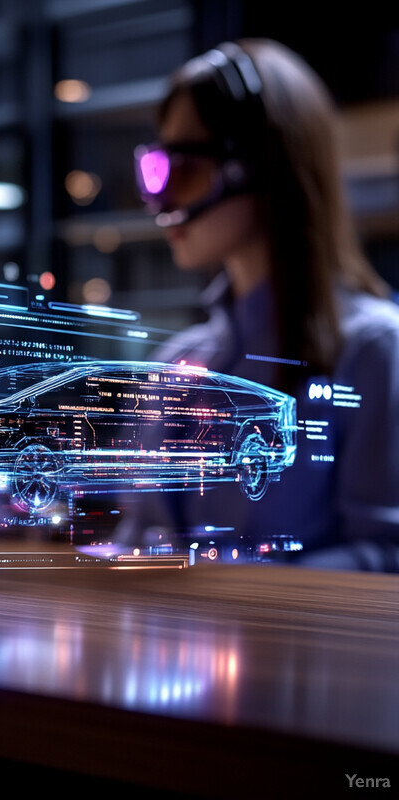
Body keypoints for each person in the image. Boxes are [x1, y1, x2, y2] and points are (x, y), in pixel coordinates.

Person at [126, 38, 399, 571]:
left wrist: (219, 582)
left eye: (186, 164)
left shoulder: (375, 352)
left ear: (262, 165)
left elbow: (390, 559)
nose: (164, 196)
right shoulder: (175, 362)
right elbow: (140, 540)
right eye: (157, 167)